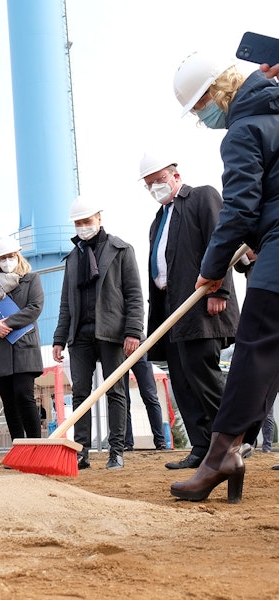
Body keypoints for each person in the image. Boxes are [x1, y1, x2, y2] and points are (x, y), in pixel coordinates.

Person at [169, 51, 279, 501]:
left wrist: (211, 270)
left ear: (217, 94)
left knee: (253, 351)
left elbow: (238, 208)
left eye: (200, 109)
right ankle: (229, 451)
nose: (203, 118)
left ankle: (220, 457)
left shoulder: (243, 130)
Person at [138, 151, 239, 471]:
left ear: (175, 176)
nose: (155, 188)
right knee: (182, 379)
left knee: (203, 373)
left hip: (200, 301)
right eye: (148, 185)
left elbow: (220, 242)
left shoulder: (201, 197)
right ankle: (201, 446)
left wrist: (219, 289)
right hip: (171, 309)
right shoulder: (158, 220)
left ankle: (233, 441)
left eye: (159, 181)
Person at [52, 196, 144, 470]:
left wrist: (133, 331)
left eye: (87, 221)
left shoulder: (121, 250)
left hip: (112, 332)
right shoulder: (72, 258)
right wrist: (59, 337)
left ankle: (116, 451)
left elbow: (134, 294)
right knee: (80, 392)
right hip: (79, 335)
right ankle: (81, 452)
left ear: (99, 218)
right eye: (78, 223)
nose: (83, 227)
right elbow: (66, 302)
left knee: (115, 391)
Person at [0, 237, 43, 442]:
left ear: (18, 256)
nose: (7, 261)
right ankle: (18, 446)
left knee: (24, 396)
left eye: (10, 257)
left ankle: (35, 445)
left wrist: (6, 323)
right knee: (8, 401)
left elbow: (34, 308)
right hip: (1, 351)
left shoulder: (32, 279)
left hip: (24, 347)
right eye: (2, 258)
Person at [123, 353, 167, 451]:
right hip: (118, 349)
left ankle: (160, 440)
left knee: (150, 397)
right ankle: (127, 442)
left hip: (140, 348)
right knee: (123, 400)